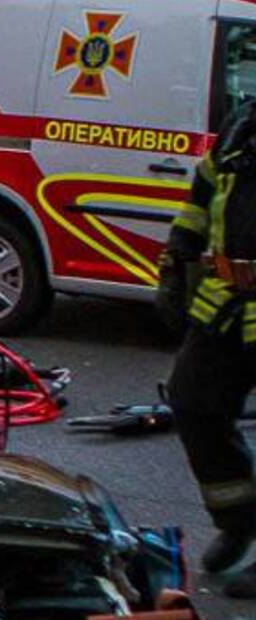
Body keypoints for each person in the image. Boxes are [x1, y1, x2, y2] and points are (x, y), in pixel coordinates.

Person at [161, 97, 256, 594]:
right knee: (193, 402)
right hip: (226, 296)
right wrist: (177, 255)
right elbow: (202, 194)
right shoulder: (243, 122)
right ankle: (238, 518)